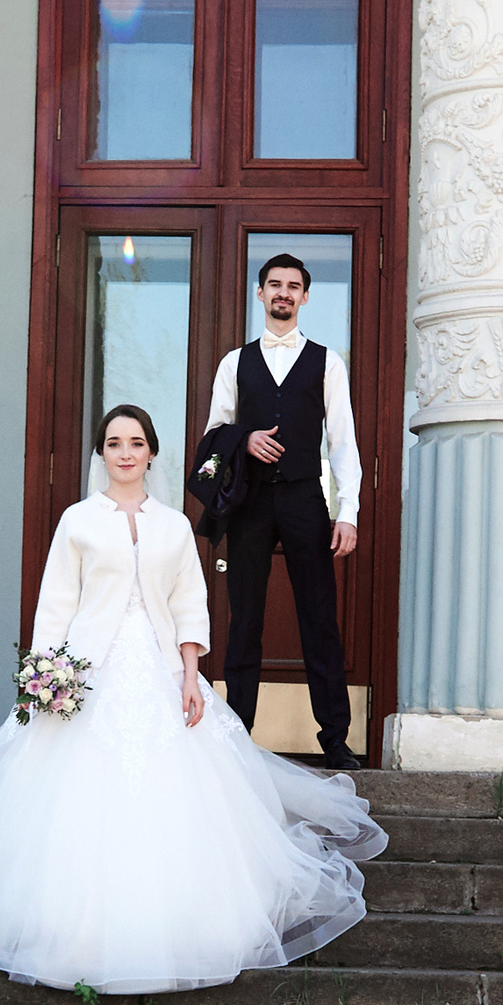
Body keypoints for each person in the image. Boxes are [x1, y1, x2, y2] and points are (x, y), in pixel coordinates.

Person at [0, 402, 385, 996]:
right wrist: (48, 675)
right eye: (114, 442)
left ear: (151, 453)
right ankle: (65, 932)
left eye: (136, 442)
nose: (125, 452)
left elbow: (188, 603)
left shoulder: (174, 525)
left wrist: (189, 673)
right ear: (101, 453)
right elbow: (56, 603)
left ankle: (181, 926)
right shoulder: (77, 520)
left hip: (158, 667)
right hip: (85, 671)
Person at [204, 251, 364, 769]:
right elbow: (212, 435)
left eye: (293, 286)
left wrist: (349, 511)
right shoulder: (235, 362)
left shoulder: (327, 361)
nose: (283, 293)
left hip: (303, 497)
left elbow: (343, 441)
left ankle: (335, 738)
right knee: (244, 616)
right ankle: (237, 732)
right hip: (250, 501)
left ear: (305, 297)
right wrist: (244, 440)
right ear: (260, 293)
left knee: (319, 617)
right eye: (275, 284)